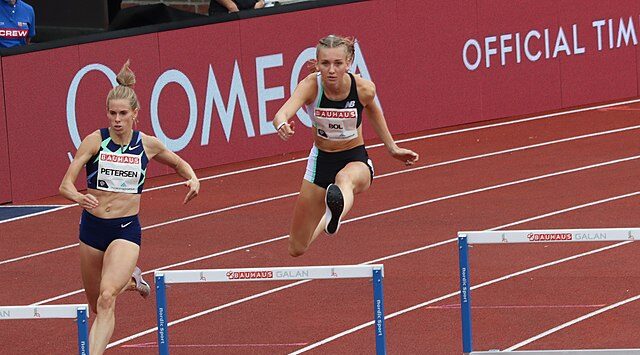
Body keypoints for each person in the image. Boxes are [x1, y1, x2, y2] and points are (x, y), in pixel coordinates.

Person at [59, 60, 200, 355]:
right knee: (95, 303)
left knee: (107, 297)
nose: (117, 120)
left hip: (125, 229)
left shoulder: (146, 144)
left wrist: (192, 179)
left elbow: (178, 163)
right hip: (92, 229)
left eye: (123, 114)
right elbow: (65, 185)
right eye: (112, 113)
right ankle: (132, 279)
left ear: (135, 114)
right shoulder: (95, 141)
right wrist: (78, 197)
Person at [273, 34, 419, 257]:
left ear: (349, 63)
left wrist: (392, 148)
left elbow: (373, 111)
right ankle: (330, 219)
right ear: (317, 63)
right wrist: (282, 124)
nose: (331, 70)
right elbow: (282, 113)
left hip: (354, 158)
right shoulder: (311, 86)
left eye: (338, 64)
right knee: (296, 248)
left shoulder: (363, 89)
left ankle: (336, 213)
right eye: (325, 63)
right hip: (321, 162)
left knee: (344, 180)